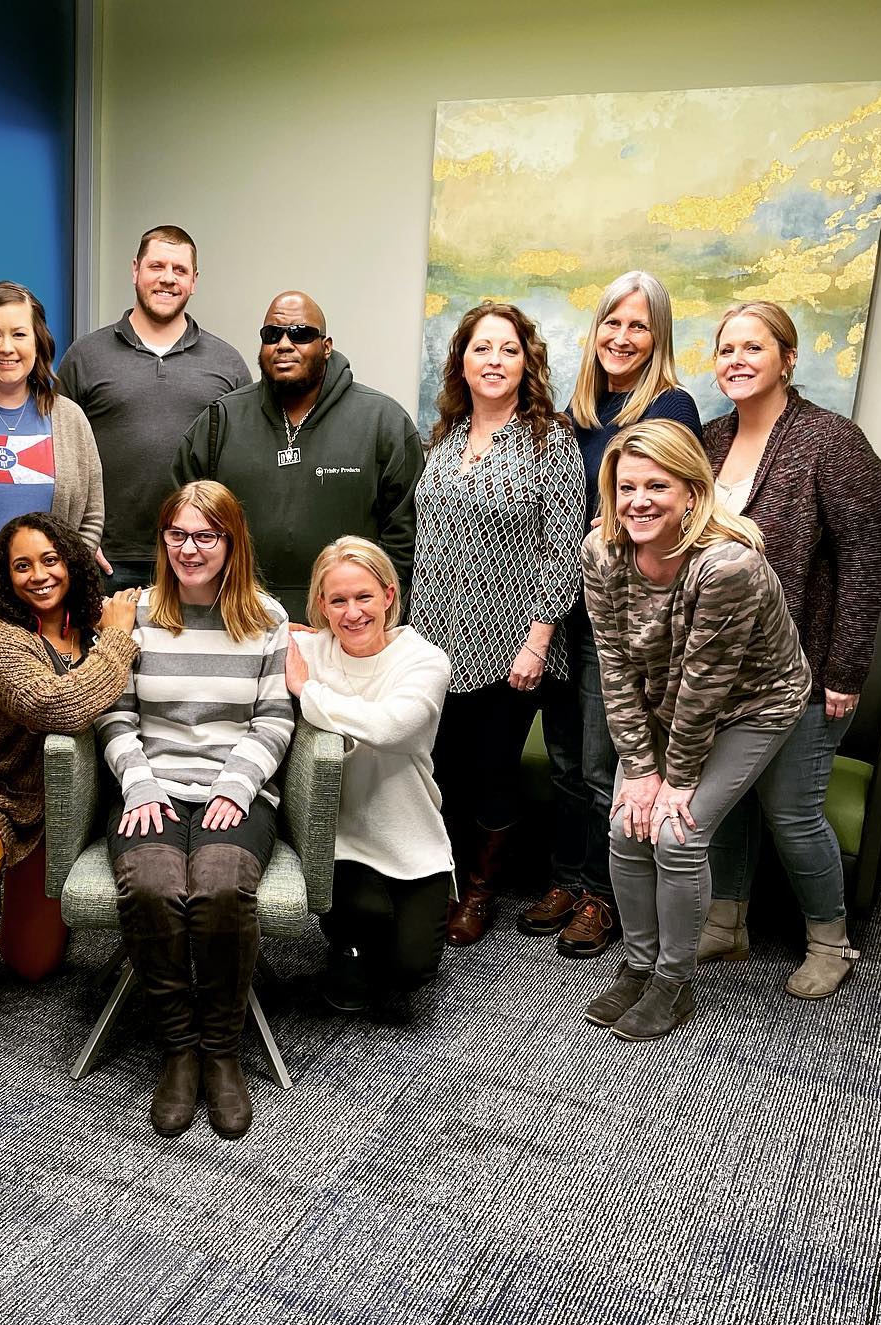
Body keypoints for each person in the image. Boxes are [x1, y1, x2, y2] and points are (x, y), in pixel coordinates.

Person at [583, 420, 811, 1041]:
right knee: (627, 823)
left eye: (657, 485)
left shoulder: (725, 566)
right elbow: (616, 667)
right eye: (626, 487)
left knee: (678, 833)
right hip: (664, 703)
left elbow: (706, 690)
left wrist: (674, 783)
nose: (639, 501)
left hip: (752, 705)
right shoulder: (602, 551)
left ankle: (674, 982)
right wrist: (640, 771)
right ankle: (638, 963)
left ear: (691, 491)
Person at [700, 301, 881, 998]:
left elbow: (870, 559)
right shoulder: (712, 438)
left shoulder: (830, 441)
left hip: (806, 674)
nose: (738, 360)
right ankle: (726, 923)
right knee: (726, 803)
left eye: (755, 347)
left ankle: (830, 942)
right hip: (724, 670)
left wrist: (844, 670)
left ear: (787, 358)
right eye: (726, 349)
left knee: (790, 810)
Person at [96, 480, 293, 1141]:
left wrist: (236, 786)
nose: (189, 548)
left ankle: (222, 1050)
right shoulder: (138, 616)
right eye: (176, 535)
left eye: (205, 536)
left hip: (234, 791)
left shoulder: (265, 619)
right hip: (152, 788)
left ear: (231, 542)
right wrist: (140, 784)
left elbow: (273, 718)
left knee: (218, 888)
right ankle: (178, 1049)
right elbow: (114, 712)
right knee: (153, 886)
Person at [524, 272, 703, 959]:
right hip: (564, 611)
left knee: (608, 767)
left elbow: (659, 516)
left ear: (658, 337)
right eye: (612, 323)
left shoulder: (669, 408)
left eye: (638, 326)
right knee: (567, 760)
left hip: (619, 624)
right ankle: (567, 879)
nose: (622, 337)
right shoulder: (583, 414)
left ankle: (604, 895)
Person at [0, 514, 139, 1045]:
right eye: (22, 565)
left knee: (33, 965)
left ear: (72, 562)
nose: (39, 575)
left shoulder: (94, 622)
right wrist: (115, 643)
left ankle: (11, 892)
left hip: (64, 810)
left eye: (50, 559)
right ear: (5, 576)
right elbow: (56, 706)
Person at [408, 302, 584, 947]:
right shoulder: (445, 439)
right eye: (482, 348)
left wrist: (537, 641)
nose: (494, 361)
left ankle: (479, 893)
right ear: (461, 360)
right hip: (434, 636)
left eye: (508, 350)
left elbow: (561, 552)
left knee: (492, 770)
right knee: (441, 767)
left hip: (511, 642)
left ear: (526, 362)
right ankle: (441, 880)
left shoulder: (550, 442)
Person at [169, 292, 420, 617]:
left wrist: (378, 615)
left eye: (300, 334)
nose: (284, 344)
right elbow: (179, 522)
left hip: (347, 625)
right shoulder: (221, 420)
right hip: (239, 619)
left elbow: (405, 536)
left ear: (326, 346)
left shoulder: (383, 421)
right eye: (272, 335)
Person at [285, 538, 453, 1012]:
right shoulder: (307, 648)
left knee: (410, 971)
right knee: (364, 931)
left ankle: (363, 951)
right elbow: (241, 623)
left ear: (389, 595)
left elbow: (391, 728)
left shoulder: (424, 660)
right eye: (337, 600)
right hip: (336, 838)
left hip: (410, 834)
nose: (352, 613)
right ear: (321, 604)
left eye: (363, 597)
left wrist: (307, 692)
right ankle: (349, 946)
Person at [57, 225, 250, 590]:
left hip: (197, 560)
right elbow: (61, 456)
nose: (167, 279)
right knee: (106, 650)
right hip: (106, 559)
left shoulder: (228, 363)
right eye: (156, 266)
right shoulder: (85, 357)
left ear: (194, 280)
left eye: (179, 270)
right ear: (135, 271)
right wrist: (78, 539)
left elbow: (242, 463)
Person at [0, 281, 103, 554]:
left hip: (54, 590)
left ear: (38, 341)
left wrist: (67, 572)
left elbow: (92, 516)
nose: (6, 347)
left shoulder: (71, 418)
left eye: (19, 334)